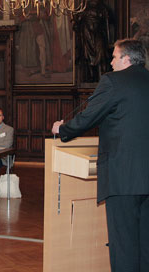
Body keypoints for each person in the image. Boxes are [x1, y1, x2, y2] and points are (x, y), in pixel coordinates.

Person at [51, 39, 149, 272]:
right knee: (145, 244)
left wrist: (62, 129)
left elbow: (89, 116)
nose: (111, 62)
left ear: (126, 59)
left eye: (114, 57)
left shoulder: (113, 81)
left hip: (123, 177)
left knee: (123, 243)